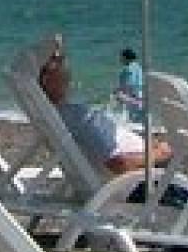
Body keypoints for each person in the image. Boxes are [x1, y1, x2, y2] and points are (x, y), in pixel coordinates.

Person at [36, 43, 166, 176]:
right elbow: (119, 164)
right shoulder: (79, 117)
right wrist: (158, 154)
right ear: (46, 79)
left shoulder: (62, 115)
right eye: (57, 60)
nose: (65, 64)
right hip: (146, 174)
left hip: (145, 155)